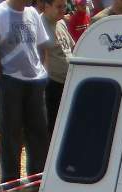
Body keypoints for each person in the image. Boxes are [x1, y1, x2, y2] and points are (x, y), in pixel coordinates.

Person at [0, 0, 49, 184]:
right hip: (10, 80)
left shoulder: (33, 13)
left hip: (35, 80)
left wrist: (43, 71)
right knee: (10, 135)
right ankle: (10, 184)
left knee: (38, 132)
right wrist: (2, 78)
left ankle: (36, 180)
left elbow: (42, 45)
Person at [41, 0, 72, 137]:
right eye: (59, 7)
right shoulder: (39, 25)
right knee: (53, 127)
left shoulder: (61, 23)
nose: (63, 10)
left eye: (64, 6)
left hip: (68, 81)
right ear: (47, 6)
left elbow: (70, 48)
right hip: (52, 84)